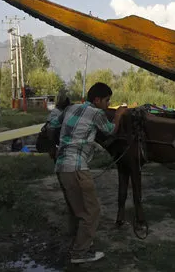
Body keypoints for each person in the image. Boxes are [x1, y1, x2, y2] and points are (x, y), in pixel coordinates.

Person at [48, 82, 127, 264]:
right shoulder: (97, 113)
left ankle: (76, 244)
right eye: (107, 101)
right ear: (97, 100)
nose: (108, 104)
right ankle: (80, 253)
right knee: (92, 211)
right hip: (77, 168)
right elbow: (109, 131)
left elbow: (53, 123)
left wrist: (56, 144)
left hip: (61, 167)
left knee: (76, 210)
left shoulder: (71, 108)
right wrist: (119, 115)